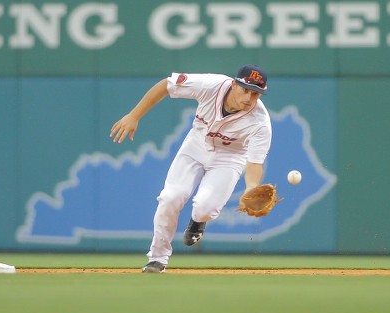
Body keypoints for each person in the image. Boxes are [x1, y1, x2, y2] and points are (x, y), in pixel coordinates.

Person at [110, 64, 272, 273]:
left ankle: (198, 221)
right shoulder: (211, 85)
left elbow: (255, 163)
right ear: (234, 84)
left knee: (205, 208)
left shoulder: (260, 123)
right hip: (195, 147)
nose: (249, 98)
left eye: (256, 94)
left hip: (229, 158)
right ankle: (157, 259)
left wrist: (251, 188)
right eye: (245, 90)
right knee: (170, 197)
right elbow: (165, 86)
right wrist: (134, 116)